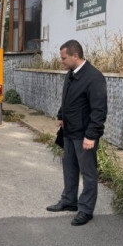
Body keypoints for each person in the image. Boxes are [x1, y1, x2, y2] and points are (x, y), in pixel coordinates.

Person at [46, 40, 107, 226]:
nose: (61, 61)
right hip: (69, 131)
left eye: (64, 58)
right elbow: (67, 98)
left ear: (75, 56)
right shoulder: (71, 74)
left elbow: (99, 110)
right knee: (69, 167)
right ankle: (69, 201)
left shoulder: (94, 77)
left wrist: (91, 135)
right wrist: (61, 115)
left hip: (84, 135)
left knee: (88, 173)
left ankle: (86, 210)